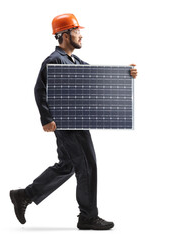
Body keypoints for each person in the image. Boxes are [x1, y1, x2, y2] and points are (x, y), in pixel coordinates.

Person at [10, 13, 138, 230]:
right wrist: (46, 118)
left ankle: (24, 195)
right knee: (87, 166)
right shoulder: (53, 60)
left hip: (75, 121)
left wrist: (127, 73)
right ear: (64, 35)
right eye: (77, 31)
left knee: (67, 165)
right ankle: (88, 216)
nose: (81, 35)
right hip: (67, 125)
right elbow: (39, 89)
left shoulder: (74, 60)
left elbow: (96, 76)